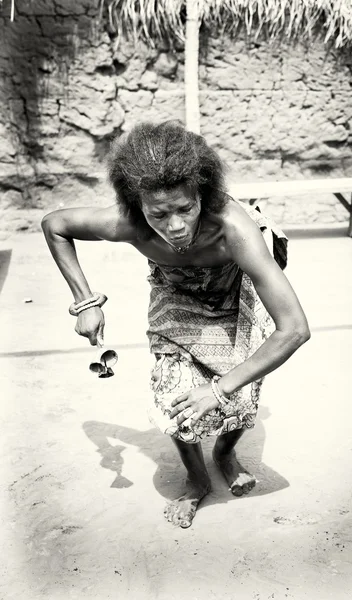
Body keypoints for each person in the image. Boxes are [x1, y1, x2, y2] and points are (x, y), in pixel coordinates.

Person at [42, 120, 310, 529]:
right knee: (175, 397)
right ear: (138, 206)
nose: (175, 225)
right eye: (159, 214)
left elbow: (293, 329)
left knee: (241, 391)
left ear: (202, 192)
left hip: (235, 288)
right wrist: (84, 303)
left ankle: (223, 453)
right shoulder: (126, 224)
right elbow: (55, 225)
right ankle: (197, 478)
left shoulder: (233, 230)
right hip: (176, 292)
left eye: (186, 208)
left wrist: (220, 387)